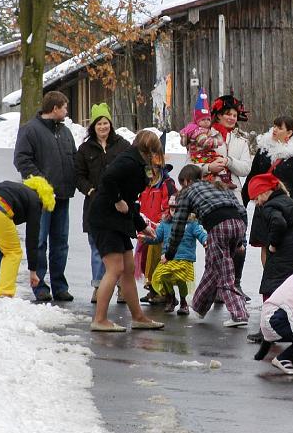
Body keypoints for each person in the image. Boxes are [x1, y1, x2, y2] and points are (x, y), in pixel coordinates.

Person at [88, 130, 166, 332]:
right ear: (148, 150)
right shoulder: (129, 161)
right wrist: (116, 200)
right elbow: (108, 179)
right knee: (115, 268)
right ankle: (99, 319)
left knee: (128, 268)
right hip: (105, 219)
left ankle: (138, 317)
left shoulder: (138, 163)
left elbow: (130, 201)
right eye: (155, 152)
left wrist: (142, 226)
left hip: (118, 221)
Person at [165, 164, 249, 327]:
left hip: (218, 227)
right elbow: (242, 210)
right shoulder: (218, 186)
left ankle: (239, 314)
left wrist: (170, 253)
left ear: (187, 181)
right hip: (237, 224)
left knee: (225, 273)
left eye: (182, 183)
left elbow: (178, 224)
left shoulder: (187, 192)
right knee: (214, 267)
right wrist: (241, 240)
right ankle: (198, 306)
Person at [13, 90, 77, 302]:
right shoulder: (30, 130)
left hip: (62, 196)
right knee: (39, 241)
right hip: (40, 198)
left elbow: (74, 159)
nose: (67, 111)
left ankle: (59, 285)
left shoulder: (65, 132)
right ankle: (39, 285)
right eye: (65, 107)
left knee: (61, 242)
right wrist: (42, 183)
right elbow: (22, 160)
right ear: (55, 108)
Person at [75, 103, 130, 303]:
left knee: (121, 247)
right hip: (94, 206)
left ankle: (122, 288)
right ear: (93, 126)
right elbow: (78, 175)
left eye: (106, 123)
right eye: (99, 124)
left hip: (118, 205)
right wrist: (90, 190)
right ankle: (98, 287)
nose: (103, 127)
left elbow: (131, 169)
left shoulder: (123, 145)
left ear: (110, 124)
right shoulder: (84, 149)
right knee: (97, 248)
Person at [242, 115, 293, 262]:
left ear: (289, 133)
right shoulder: (263, 150)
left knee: (285, 243)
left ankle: (284, 281)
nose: (274, 130)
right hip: (264, 203)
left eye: (279, 127)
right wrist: (242, 203)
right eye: (274, 126)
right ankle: (268, 276)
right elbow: (252, 177)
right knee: (265, 244)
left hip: (287, 207)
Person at [0, 177, 55, 297]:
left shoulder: (15, 189)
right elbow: (32, 238)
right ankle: (5, 293)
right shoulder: (35, 200)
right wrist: (33, 271)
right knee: (13, 251)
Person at [204, 94, 253, 298]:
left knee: (240, 240)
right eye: (227, 114)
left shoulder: (241, 140)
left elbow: (246, 168)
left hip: (234, 195)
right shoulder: (205, 136)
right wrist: (208, 166)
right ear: (219, 115)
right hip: (212, 195)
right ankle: (215, 285)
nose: (231, 118)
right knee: (215, 241)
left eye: (234, 115)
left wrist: (229, 161)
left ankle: (236, 283)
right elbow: (191, 164)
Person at [247, 172, 293, 301]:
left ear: (264, 192)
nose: (256, 203)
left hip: (283, 253)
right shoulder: (292, 202)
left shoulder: (270, 206)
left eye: (256, 198)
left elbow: (279, 222)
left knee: (274, 285)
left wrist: (273, 244)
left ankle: (272, 313)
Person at [140, 194, 207, 315]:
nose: (174, 212)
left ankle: (183, 302)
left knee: (181, 279)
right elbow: (157, 238)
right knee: (162, 276)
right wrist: (146, 238)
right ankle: (170, 298)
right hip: (167, 258)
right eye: (171, 209)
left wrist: (205, 241)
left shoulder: (191, 223)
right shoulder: (165, 224)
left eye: (177, 209)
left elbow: (200, 234)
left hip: (185, 258)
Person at [136, 163, 177, 303]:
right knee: (145, 262)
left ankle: (164, 293)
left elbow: (171, 205)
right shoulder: (144, 185)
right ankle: (153, 289)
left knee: (159, 262)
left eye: (153, 168)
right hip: (145, 228)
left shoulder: (166, 184)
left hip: (160, 230)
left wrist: (162, 222)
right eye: (147, 168)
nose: (150, 171)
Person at [180, 87, 233, 187]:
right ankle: (223, 181)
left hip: (206, 155)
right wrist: (217, 142)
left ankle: (224, 180)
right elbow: (204, 142)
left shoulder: (208, 131)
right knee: (217, 161)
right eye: (203, 119)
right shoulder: (197, 131)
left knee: (219, 160)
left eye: (208, 119)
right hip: (200, 156)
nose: (206, 122)